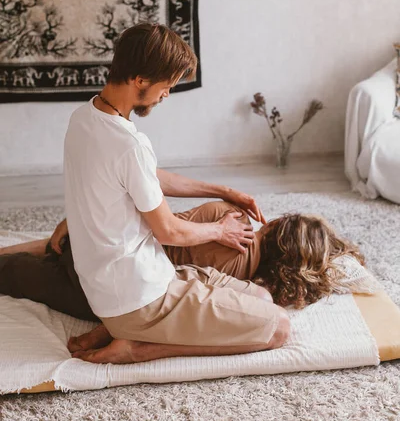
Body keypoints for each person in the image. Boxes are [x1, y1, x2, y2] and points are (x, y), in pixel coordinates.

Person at [5, 22, 289, 365]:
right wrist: (220, 230)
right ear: (140, 79)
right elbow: (170, 230)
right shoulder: (129, 144)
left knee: (263, 296)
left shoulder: (84, 118)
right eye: (166, 85)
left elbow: (146, 176)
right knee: (279, 329)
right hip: (140, 300)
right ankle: (137, 347)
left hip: (129, 284)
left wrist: (225, 190)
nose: (166, 94)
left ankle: (121, 329)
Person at [0, 201, 365, 353]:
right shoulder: (243, 282)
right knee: (18, 274)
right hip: (108, 293)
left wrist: (79, 224)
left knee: (54, 252)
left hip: (101, 248)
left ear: (279, 226)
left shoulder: (229, 215)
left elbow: (155, 220)